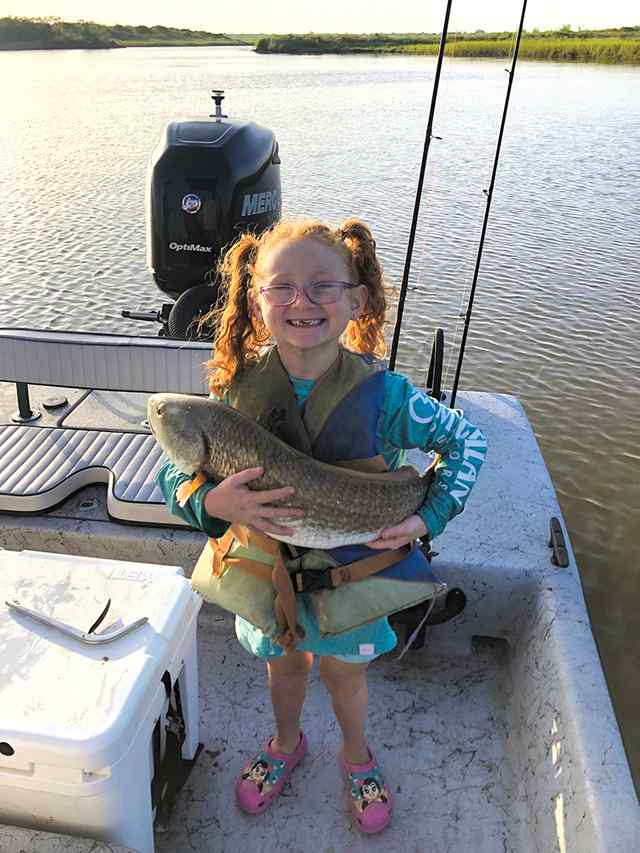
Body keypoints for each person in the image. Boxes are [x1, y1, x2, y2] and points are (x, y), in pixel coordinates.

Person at [156, 217, 487, 834]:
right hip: (266, 579)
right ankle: (286, 743)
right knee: (282, 669)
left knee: (343, 674)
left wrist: (428, 514)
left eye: (322, 287)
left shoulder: (387, 396)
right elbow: (173, 477)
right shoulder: (231, 392)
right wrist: (211, 505)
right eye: (281, 288)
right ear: (256, 299)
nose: (301, 302)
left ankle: (356, 756)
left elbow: (467, 442)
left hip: (353, 579)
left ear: (356, 298)